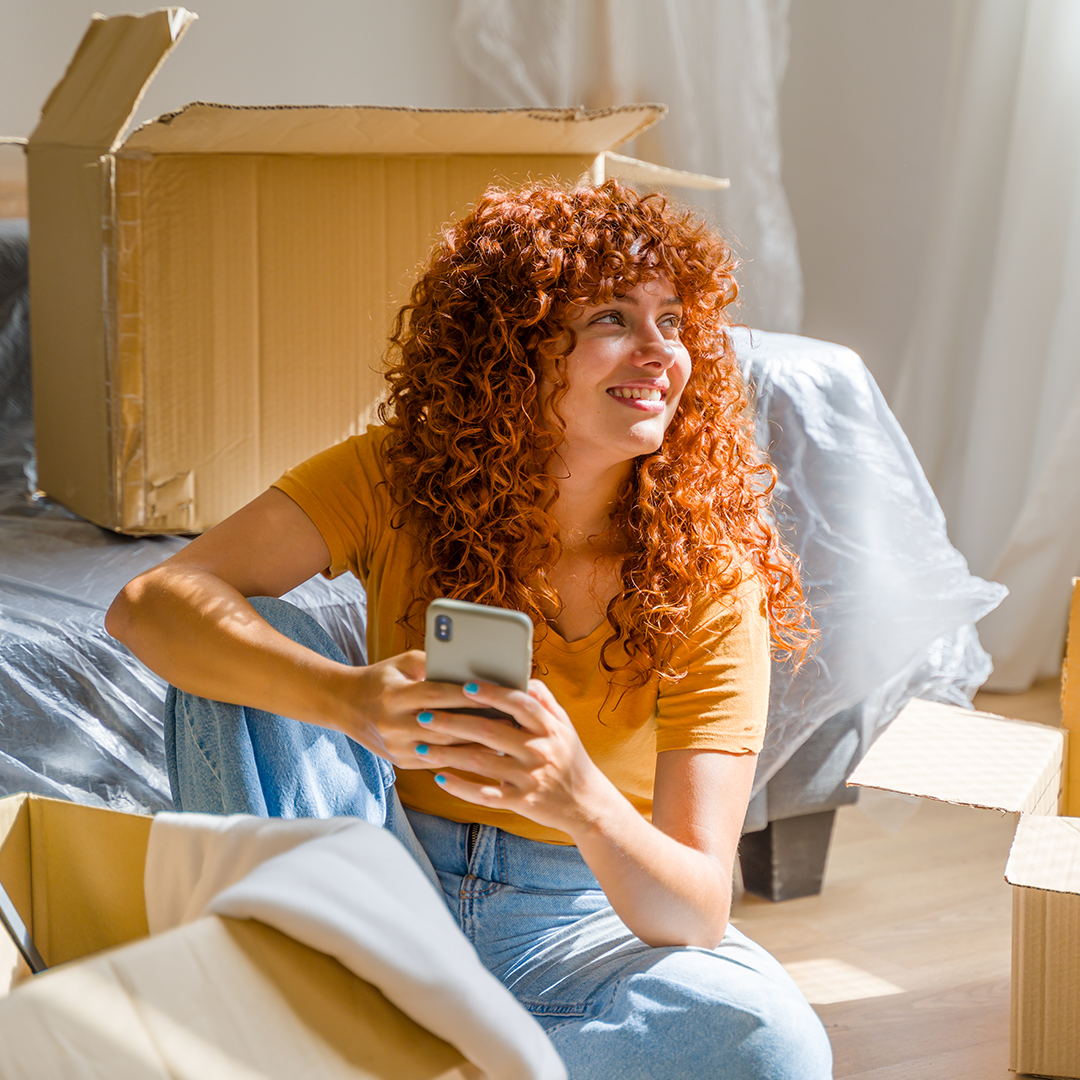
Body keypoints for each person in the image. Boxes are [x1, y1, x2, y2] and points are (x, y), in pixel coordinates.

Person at [106, 181, 833, 1080]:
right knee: (242, 631)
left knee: (772, 1043)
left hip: (578, 923)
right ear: (511, 346)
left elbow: (693, 909)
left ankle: (378, 1054)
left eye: (675, 321)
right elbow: (150, 602)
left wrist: (581, 801)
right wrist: (350, 701)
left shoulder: (712, 577)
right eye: (613, 316)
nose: (660, 353)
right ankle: (375, 1032)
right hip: (377, 876)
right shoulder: (396, 474)